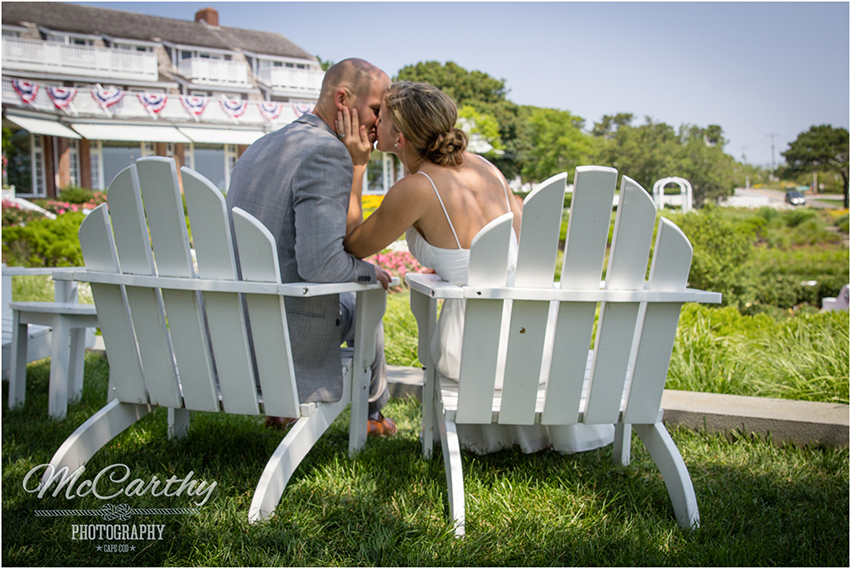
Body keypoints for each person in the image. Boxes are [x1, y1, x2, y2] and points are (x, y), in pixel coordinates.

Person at [340, 81, 614, 454]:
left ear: (400, 138)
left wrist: (357, 165)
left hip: (479, 347)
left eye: (381, 118)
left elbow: (354, 243)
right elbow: (512, 242)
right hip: (541, 337)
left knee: (458, 351)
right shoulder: (484, 167)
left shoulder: (416, 190)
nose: (374, 124)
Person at [225, 58, 397, 437]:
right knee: (367, 295)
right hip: (286, 340)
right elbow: (322, 266)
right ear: (342, 99)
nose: (379, 122)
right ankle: (373, 413)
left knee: (359, 290)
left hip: (232, 330)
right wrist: (371, 273)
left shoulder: (261, 145)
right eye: (375, 110)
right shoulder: (326, 153)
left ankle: (362, 412)